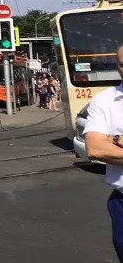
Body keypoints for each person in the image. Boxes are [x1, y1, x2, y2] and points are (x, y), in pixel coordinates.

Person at [82, 46, 123, 261]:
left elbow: (103, 143)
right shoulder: (104, 101)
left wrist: (112, 140)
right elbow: (95, 148)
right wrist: (109, 142)